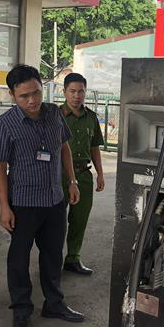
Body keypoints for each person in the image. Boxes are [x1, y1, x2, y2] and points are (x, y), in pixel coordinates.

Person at [0, 64, 83, 327]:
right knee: (19, 259)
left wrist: (72, 181)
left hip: (54, 199)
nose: (32, 100)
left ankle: (54, 303)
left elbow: (63, 147)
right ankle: (21, 309)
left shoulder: (54, 113)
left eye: (36, 93)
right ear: (12, 95)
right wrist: (4, 207)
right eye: (24, 96)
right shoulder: (5, 124)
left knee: (53, 255)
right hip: (23, 202)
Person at [60, 73, 105, 276]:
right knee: (56, 221)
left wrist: (100, 174)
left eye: (81, 92)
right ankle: (52, 259)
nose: (77, 96)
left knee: (79, 220)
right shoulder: (55, 116)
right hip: (59, 175)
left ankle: (73, 258)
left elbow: (95, 147)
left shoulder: (91, 118)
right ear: (64, 92)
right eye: (72, 91)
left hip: (84, 175)